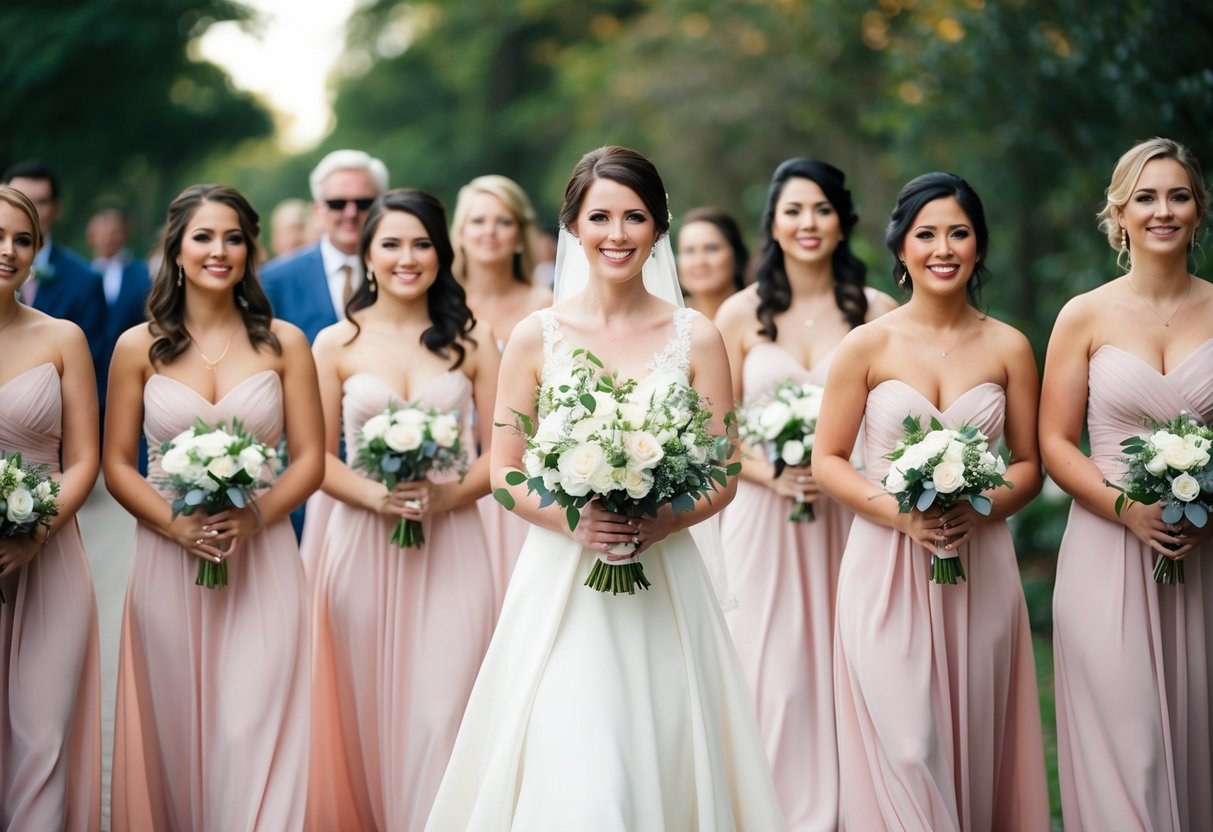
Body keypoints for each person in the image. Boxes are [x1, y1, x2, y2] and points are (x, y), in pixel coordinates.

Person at [425, 146, 786, 831]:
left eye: (634, 217)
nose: (617, 234)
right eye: (600, 217)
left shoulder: (695, 336)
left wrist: (664, 521)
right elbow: (503, 470)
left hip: (665, 584)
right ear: (572, 227)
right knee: (583, 775)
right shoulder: (536, 337)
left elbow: (726, 468)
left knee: (659, 756)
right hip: (562, 582)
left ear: (657, 228)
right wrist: (573, 521)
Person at [812, 172, 1049, 830]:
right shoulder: (866, 344)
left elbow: (1028, 465)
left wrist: (978, 507)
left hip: (979, 567)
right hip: (884, 568)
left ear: (977, 246)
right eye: (926, 234)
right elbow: (826, 460)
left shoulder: (1008, 346)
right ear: (900, 247)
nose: (942, 248)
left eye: (958, 233)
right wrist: (904, 517)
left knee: (966, 745)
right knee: (909, 748)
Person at [104, 184, 324, 829]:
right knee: (176, 728)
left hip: (263, 557)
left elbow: (309, 458)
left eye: (232, 237)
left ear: (250, 250)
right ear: (176, 250)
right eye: (203, 237)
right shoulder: (135, 348)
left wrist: (255, 516)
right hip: (167, 561)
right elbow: (118, 463)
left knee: (255, 720)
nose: (219, 250)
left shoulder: (286, 343)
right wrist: (175, 524)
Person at [304, 189, 498, 830]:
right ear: (366, 254)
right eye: (390, 244)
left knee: (445, 708)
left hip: (455, 543)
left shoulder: (472, 344)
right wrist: (376, 496)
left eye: (421, 244)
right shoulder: (335, 344)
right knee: (367, 709)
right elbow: (314, 457)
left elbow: (501, 455)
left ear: (442, 254)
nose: (406, 258)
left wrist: (446, 495)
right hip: (358, 540)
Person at [713, 157, 896, 830]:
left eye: (819, 209)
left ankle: (855, 810)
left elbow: (895, 422)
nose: (806, 223)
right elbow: (715, 437)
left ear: (841, 220)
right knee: (775, 676)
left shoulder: (876, 312)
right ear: (773, 223)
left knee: (854, 666)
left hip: (853, 520)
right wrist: (777, 474)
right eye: (792, 210)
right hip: (764, 521)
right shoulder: (738, 315)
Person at [1043, 137, 1213, 830]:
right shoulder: (1083, 315)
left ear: (1198, 213)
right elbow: (1054, 443)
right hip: (1104, 553)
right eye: (1144, 197)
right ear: (1118, 215)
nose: (1161, 210)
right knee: (1132, 755)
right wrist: (1129, 509)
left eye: (1177, 196)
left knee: (1194, 747)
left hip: (1201, 556)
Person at [0, 185, 102, 830]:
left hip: (49, 557)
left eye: (21, 239)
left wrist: (31, 533)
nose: (7, 251)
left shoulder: (62, 338)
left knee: (43, 734)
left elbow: (85, 460)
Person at [450, 174, 552, 603]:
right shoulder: (440, 308)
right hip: (454, 473)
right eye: (478, 221)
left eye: (503, 221)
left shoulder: (546, 304)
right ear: (459, 234)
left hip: (524, 473)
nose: (489, 231)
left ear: (518, 236)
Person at [3, 160, 109, 407]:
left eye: (39, 201)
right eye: (19, 197)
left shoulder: (85, 281)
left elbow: (93, 375)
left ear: (57, 209)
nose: (28, 208)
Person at [261, 149, 390, 344]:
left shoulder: (401, 272)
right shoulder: (275, 279)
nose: (351, 213)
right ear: (318, 209)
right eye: (337, 203)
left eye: (363, 203)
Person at [87, 207, 153, 366]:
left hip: (131, 360)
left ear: (125, 234)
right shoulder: (79, 276)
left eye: (115, 232)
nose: (109, 237)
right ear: (91, 235)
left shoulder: (143, 275)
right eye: (103, 230)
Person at [676, 205, 749, 320]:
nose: (699, 262)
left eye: (711, 248)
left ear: (736, 254)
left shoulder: (761, 312)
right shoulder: (667, 318)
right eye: (689, 251)